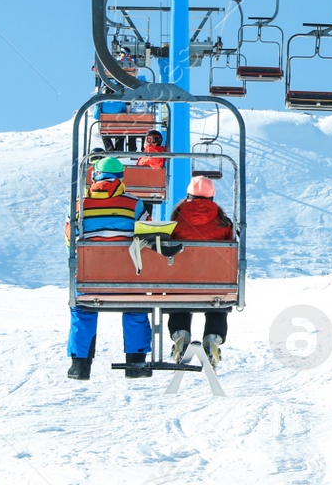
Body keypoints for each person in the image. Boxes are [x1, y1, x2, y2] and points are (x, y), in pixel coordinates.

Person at [68, 156, 153, 380]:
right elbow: (147, 235)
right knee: (136, 308)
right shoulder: (134, 203)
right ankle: (135, 362)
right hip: (127, 281)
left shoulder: (79, 204)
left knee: (82, 311)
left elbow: (70, 239)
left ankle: (80, 365)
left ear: (95, 175)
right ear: (120, 178)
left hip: (90, 280)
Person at [165, 175, 234, 367]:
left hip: (182, 281)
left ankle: (181, 334)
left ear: (189, 195)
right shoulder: (222, 221)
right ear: (211, 198)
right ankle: (213, 338)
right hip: (214, 282)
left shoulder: (177, 216)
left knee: (180, 295)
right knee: (217, 301)